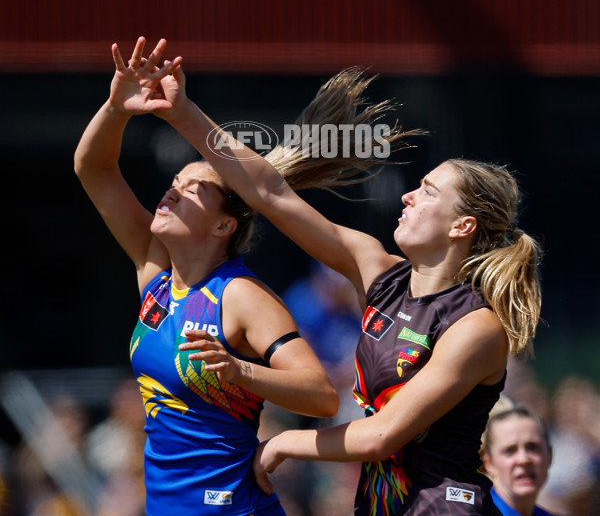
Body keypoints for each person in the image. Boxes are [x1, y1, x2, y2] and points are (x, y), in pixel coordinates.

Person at [139, 36, 544, 516]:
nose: (407, 197)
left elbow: (382, 435)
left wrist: (285, 442)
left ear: (462, 226)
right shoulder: (379, 272)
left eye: (428, 192)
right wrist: (181, 112)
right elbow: (270, 192)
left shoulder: (477, 327)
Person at [73, 38, 342, 516]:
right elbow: (92, 167)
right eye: (173, 185)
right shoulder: (155, 271)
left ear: (224, 225)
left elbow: (321, 394)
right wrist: (116, 108)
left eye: (192, 189)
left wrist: (240, 371)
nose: (171, 194)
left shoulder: (240, 295)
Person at [481, 401, 557, 516]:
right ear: (489, 463)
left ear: (549, 456)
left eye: (533, 447)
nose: (524, 459)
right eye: (510, 450)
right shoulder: (473, 512)